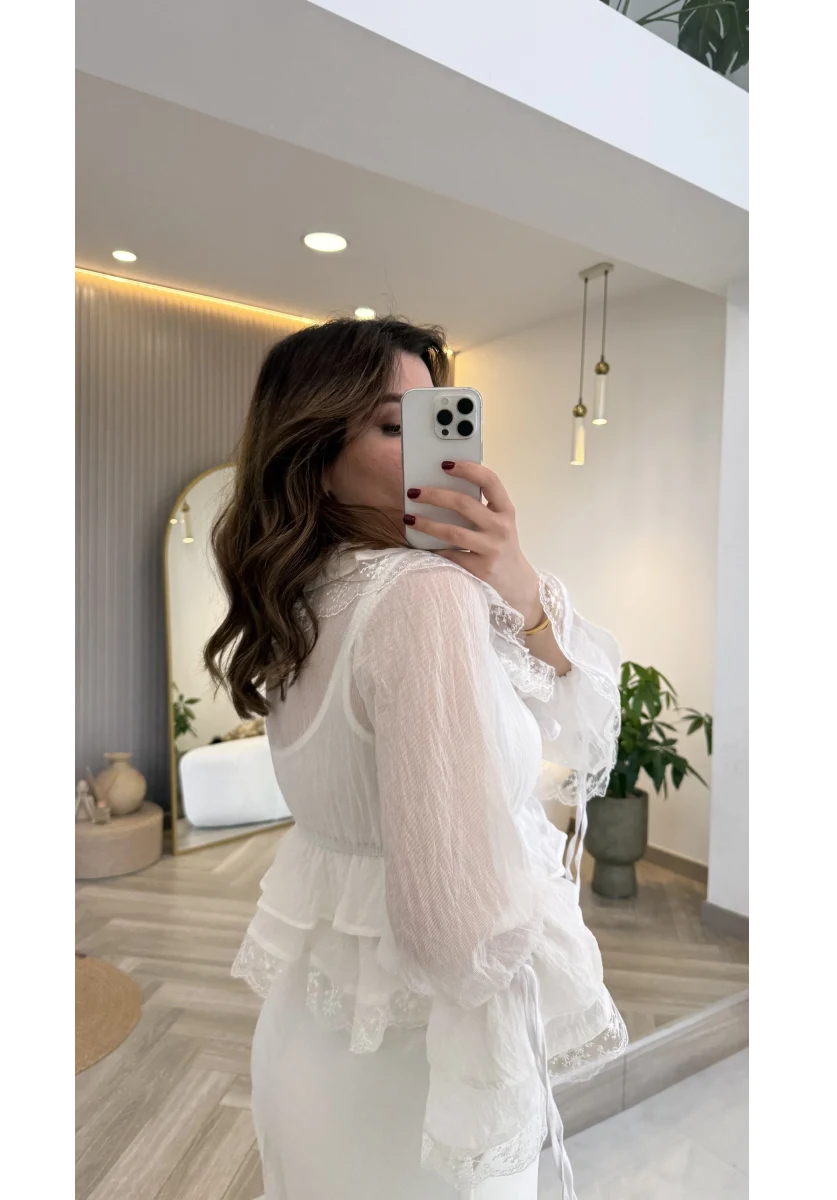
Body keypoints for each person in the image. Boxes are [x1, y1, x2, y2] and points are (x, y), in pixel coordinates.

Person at [205, 318, 627, 1200]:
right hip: (420, 1078)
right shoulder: (421, 595)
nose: (433, 448)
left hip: (319, 1041)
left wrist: (513, 579)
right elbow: (456, 932)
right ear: (314, 452)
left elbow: (572, 692)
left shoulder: (302, 595)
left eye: (437, 418)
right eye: (394, 425)